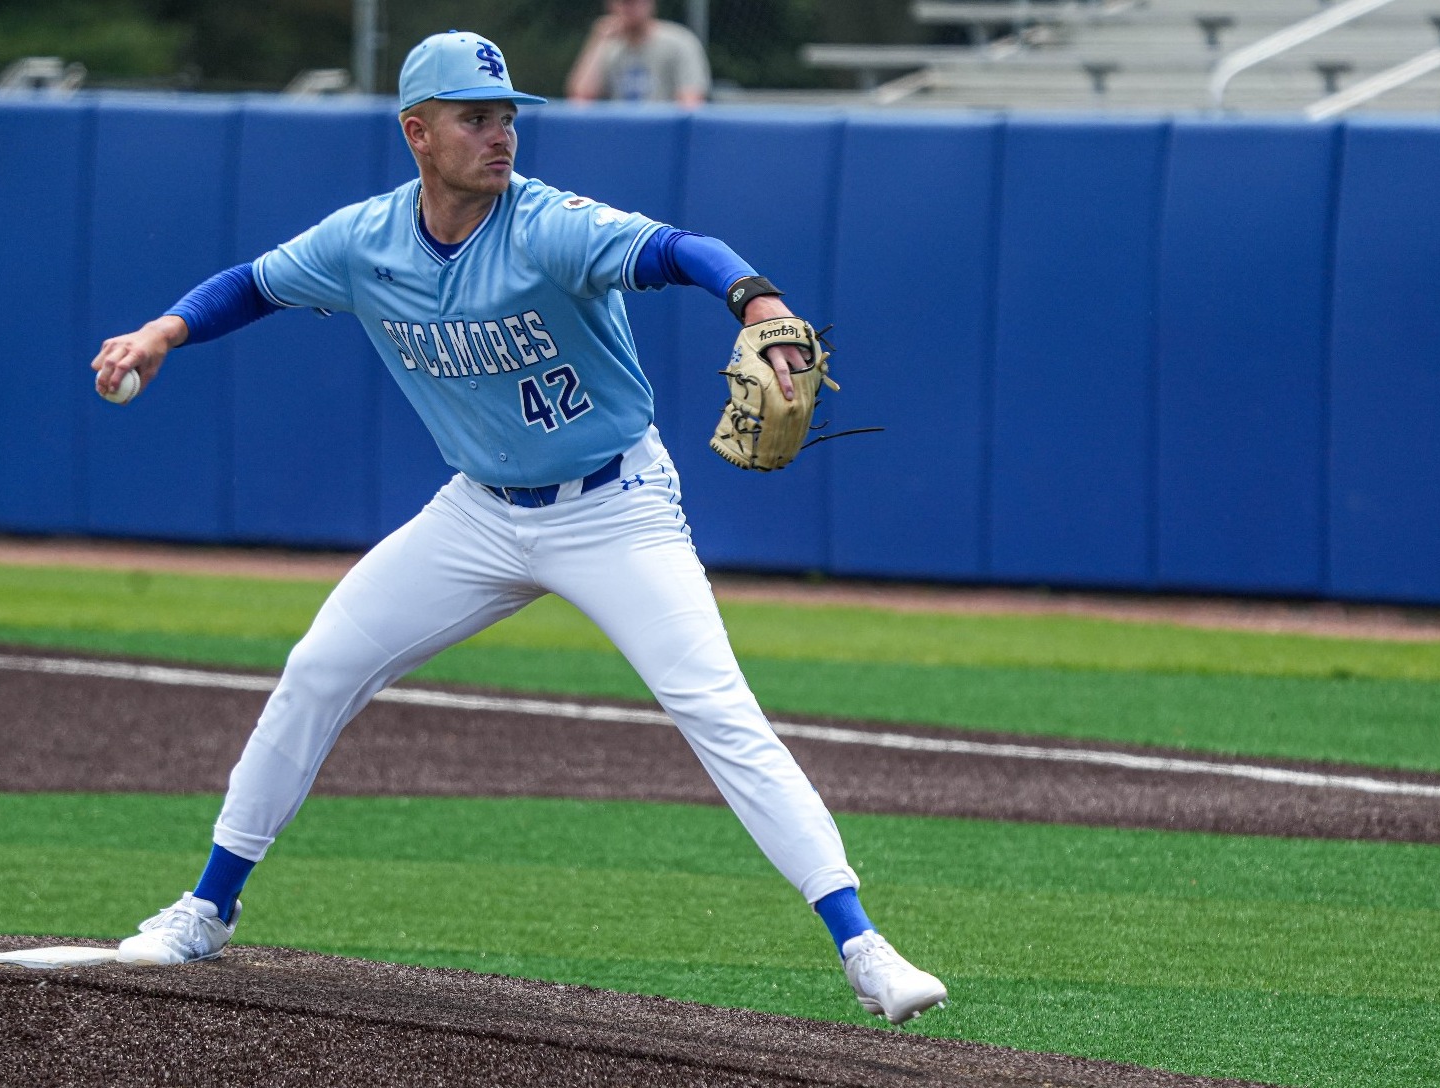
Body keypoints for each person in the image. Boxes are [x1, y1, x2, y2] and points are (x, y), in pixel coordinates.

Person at [90, 29, 946, 1027]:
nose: (500, 134)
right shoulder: (363, 240)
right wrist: (159, 333)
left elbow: (674, 250)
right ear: (416, 131)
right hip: (477, 513)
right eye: (474, 117)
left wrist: (755, 297)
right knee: (318, 666)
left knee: (716, 707)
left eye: (506, 116)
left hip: (615, 508)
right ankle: (206, 905)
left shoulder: (549, 226)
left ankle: (862, 944)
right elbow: (254, 282)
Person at [566, 0, 710, 107]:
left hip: (663, 135)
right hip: (622, 132)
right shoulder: (610, 49)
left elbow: (691, 103)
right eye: (624, 3)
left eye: (634, 2)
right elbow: (580, 99)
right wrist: (599, 41)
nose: (629, 9)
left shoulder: (679, 43)